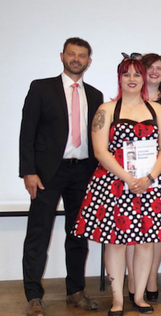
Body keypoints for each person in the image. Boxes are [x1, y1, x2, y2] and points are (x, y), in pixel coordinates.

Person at [74, 57, 161, 315]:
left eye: (137, 74)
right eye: (127, 75)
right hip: (114, 184)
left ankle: (139, 297)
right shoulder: (106, 109)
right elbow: (101, 151)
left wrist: (149, 179)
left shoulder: (157, 110)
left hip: (151, 185)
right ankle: (117, 300)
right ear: (120, 78)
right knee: (116, 242)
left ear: (144, 78)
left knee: (147, 241)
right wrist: (127, 178)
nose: (132, 79)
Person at [19, 37, 103, 316]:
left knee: (77, 234)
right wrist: (28, 171)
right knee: (38, 235)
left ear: (89, 61)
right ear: (62, 56)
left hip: (82, 172)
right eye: (72, 54)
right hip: (46, 173)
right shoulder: (41, 88)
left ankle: (75, 291)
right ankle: (33, 297)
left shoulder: (95, 95)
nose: (76, 59)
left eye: (82, 55)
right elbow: (27, 132)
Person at [124, 53, 161, 303]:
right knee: (130, 227)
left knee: (156, 228)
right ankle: (132, 279)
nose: (155, 72)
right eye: (150, 68)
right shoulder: (130, 96)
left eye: (160, 68)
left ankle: (151, 278)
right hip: (130, 170)